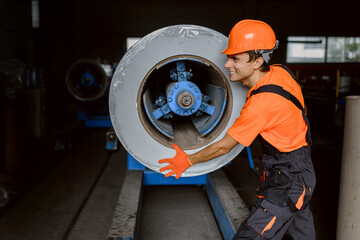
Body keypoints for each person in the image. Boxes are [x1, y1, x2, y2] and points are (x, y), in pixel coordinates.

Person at [158, 19, 316, 239]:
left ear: (258, 61)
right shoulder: (281, 73)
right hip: (296, 168)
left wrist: (187, 160)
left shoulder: (262, 104)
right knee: (300, 234)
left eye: (236, 59)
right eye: (228, 57)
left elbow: (223, 147)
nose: (227, 64)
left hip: (289, 180)